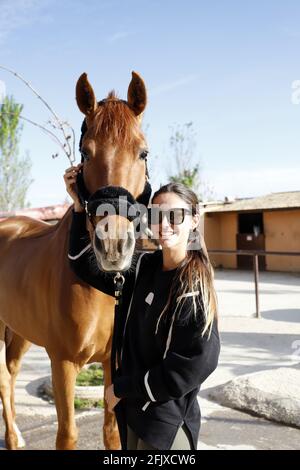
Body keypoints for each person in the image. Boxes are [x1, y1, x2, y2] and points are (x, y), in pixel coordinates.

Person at [64, 164, 220, 450]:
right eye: (157, 216)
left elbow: (190, 368)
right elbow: (80, 263)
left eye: (175, 215)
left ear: (195, 219)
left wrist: (122, 389)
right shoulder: (143, 269)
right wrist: (78, 206)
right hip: (134, 415)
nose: (165, 224)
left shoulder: (193, 289)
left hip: (164, 426)